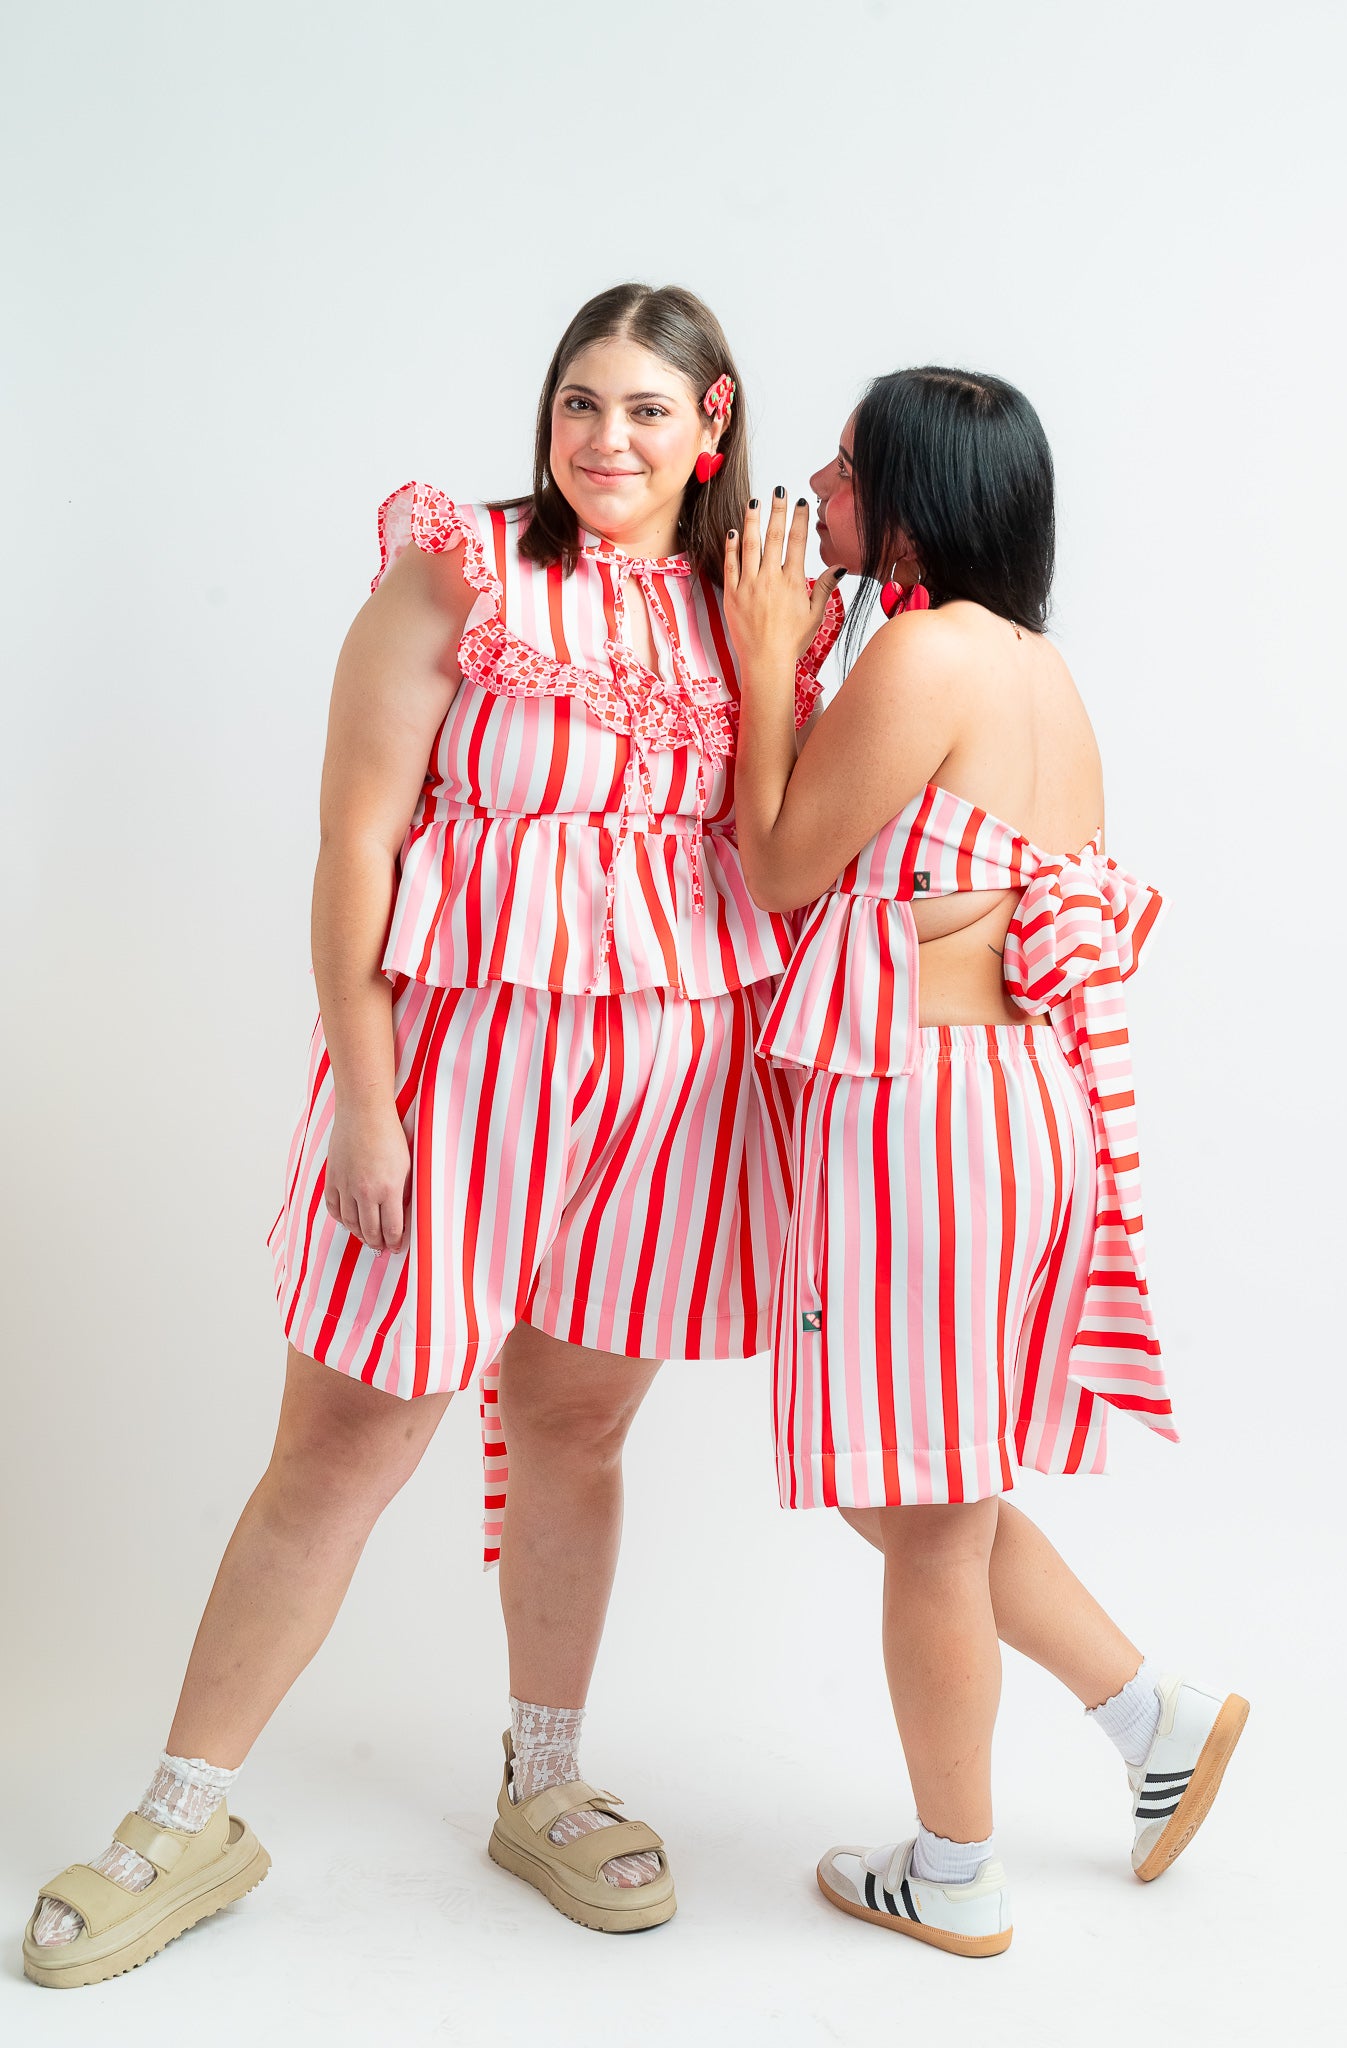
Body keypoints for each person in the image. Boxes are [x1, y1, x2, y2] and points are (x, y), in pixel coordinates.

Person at [22, 282, 843, 1987]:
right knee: (343, 1444)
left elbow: (784, 851)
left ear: (713, 422)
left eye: (645, 409)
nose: (605, 440)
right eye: (578, 403)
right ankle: (179, 1817)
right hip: (461, 1071)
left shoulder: (754, 607)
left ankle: (544, 1780)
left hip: (676, 1083)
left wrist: (780, 659)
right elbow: (356, 844)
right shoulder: (460, 571)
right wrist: (367, 1091)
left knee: (576, 1430)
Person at [722, 368, 1246, 1959]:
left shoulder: (927, 652)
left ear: (915, 497)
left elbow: (777, 867)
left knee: (930, 1516)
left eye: (847, 466)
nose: (816, 486)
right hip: (1014, 1105)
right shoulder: (1035, 666)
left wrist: (762, 658)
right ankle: (1151, 1716)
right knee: (916, 1487)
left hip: (928, 1113)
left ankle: (954, 1869)